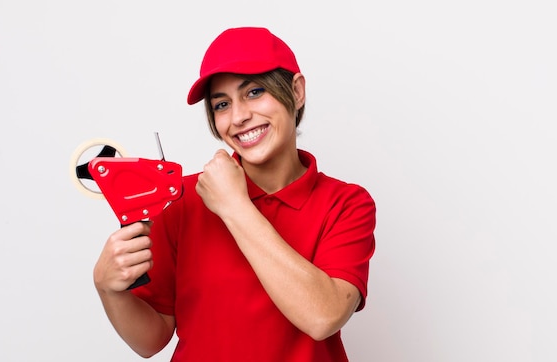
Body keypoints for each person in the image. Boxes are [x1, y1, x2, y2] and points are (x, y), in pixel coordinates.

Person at [92, 26, 376, 362]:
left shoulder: (347, 204)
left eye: (255, 92)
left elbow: (322, 317)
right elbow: (151, 340)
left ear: (297, 91)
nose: (239, 117)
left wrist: (234, 206)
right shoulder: (181, 199)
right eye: (222, 104)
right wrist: (109, 289)